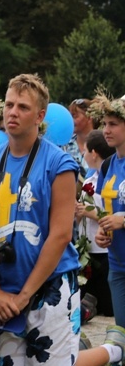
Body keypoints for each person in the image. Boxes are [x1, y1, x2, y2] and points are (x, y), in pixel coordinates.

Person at [0, 73, 124, 366]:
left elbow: (60, 235)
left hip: (50, 283)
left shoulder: (59, 164)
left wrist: (26, 294)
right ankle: (68, 349)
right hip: (5, 286)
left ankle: (113, 349)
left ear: (40, 116)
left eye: (23, 107)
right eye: (9, 105)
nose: (13, 112)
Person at [94, 94, 125, 332]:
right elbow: (105, 210)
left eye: (113, 124)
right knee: (122, 331)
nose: (106, 130)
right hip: (117, 263)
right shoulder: (107, 165)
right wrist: (101, 233)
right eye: (104, 124)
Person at [75, 129, 114, 318]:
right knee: (88, 304)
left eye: (84, 151)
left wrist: (91, 213)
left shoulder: (112, 179)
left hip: (105, 251)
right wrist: (77, 212)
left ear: (94, 153)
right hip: (88, 249)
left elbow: (115, 215)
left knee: (108, 309)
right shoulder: (89, 180)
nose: (83, 154)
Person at [66, 98, 97, 178]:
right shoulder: (65, 145)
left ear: (89, 118)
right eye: (70, 116)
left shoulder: (102, 143)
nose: (70, 120)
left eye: (74, 116)